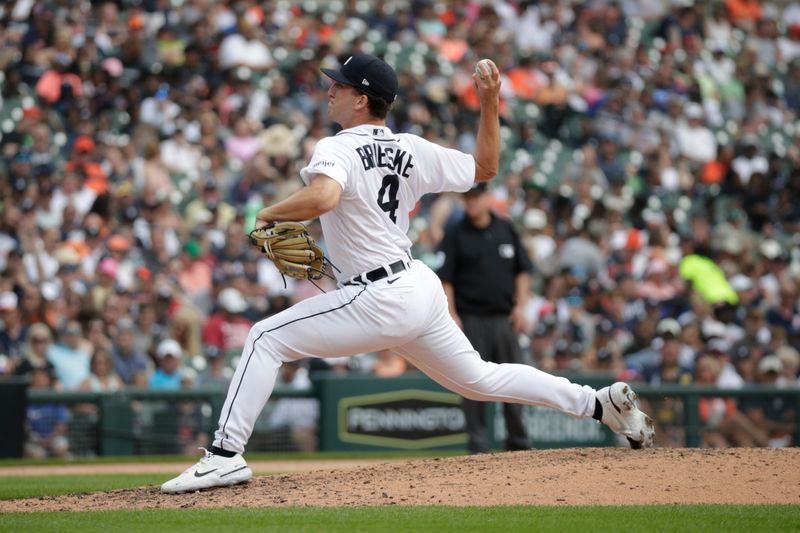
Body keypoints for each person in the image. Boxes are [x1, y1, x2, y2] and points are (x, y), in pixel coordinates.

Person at [161, 53, 654, 494]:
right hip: (418, 285)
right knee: (480, 379)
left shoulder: (337, 146)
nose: (330, 90)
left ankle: (224, 456)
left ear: (362, 100)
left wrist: (270, 212)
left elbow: (326, 197)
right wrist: (490, 103)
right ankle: (598, 404)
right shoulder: (411, 148)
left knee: (265, 338)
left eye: (340, 85)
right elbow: (486, 167)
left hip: (380, 295)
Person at [437, 181, 532, 454]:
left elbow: (523, 270)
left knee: (515, 381)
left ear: (488, 198)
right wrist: (452, 314)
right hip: (471, 319)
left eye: (476, 197)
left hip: (504, 318)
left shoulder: (505, 228)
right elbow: (447, 279)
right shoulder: (456, 233)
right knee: (472, 383)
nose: (472, 202)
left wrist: (520, 305)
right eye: (468, 197)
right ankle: (478, 444)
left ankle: (518, 442)